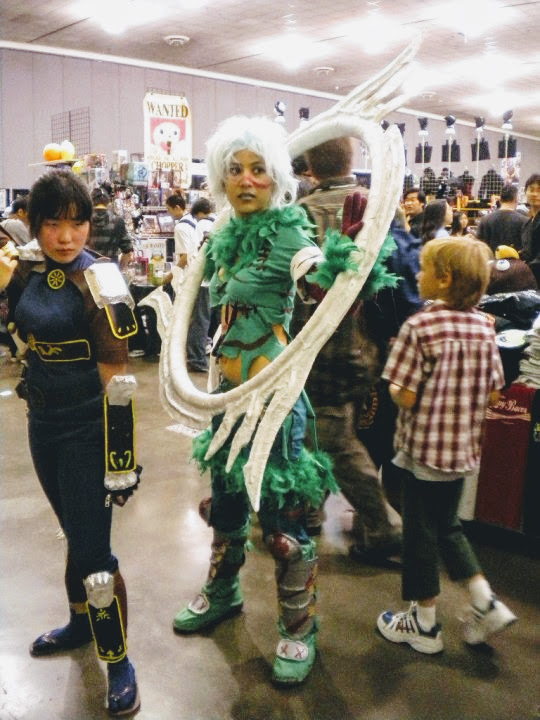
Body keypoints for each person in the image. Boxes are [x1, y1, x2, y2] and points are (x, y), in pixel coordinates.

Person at [172, 116, 356, 687]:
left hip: (274, 405)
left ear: (276, 177)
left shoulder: (287, 233)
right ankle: (223, 592)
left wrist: (333, 265)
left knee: (283, 524)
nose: (246, 181)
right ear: (221, 180)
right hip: (228, 398)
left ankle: (298, 630)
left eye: (257, 170)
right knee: (227, 507)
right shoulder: (226, 237)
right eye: (235, 170)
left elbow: (312, 269)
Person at [0, 170, 141, 716]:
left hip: (89, 427)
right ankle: (81, 625)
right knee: (74, 532)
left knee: (94, 553)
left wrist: (122, 460)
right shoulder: (28, 270)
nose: (66, 236)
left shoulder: (100, 279)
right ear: (35, 225)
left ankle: (119, 658)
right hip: (43, 422)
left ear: (89, 224)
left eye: (76, 223)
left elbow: (118, 376)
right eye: (53, 223)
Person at [376, 236, 517, 654]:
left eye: (422, 269)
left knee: (419, 534)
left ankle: (423, 623)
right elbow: (494, 393)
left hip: (423, 452)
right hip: (461, 452)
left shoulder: (420, 326)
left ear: (444, 278)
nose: (416, 275)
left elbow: (404, 392)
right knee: (447, 527)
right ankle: (484, 601)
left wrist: (404, 393)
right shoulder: (483, 326)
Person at [295, 136, 403, 561]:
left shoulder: (303, 214)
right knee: (321, 431)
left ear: (310, 167)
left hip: (322, 345)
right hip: (365, 344)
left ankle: (385, 529)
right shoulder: (377, 206)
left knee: (334, 438)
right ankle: (308, 510)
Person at [166, 193, 212, 372]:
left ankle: (196, 359)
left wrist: (170, 276)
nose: (169, 213)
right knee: (200, 320)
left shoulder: (182, 227)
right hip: (202, 278)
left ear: (177, 207)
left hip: (194, 280)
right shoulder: (195, 223)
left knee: (197, 320)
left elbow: (185, 256)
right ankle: (195, 358)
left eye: (169, 209)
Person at [87, 186, 133, 268]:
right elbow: (127, 251)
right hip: (110, 271)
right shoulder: (117, 221)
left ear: (91, 201)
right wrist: (119, 270)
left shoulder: (84, 221)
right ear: (107, 202)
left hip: (87, 271)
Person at [476, 184, 528, 252]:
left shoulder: (485, 220)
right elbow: (527, 249)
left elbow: (478, 246)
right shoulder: (524, 221)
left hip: (489, 261)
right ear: (515, 199)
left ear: (500, 200)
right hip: (516, 261)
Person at [520, 173, 540, 285]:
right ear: (525, 192)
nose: (535, 194)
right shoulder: (527, 223)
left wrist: (521, 269)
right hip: (531, 281)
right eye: (531, 190)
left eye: (539, 190)